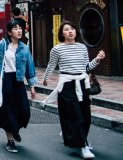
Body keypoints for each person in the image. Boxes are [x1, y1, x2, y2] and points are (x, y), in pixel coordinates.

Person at [42, 21, 105, 159]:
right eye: (66, 29)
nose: (70, 31)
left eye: (72, 29)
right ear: (62, 34)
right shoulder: (57, 49)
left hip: (82, 84)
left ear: (76, 32)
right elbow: (51, 64)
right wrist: (45, 79)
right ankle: (83, 146)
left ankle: (76, 136)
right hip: (67, 85)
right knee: (75, 116)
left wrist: (98, 59)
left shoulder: (82, 47)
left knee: (85, 115)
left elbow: (87, 67)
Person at [0, 20, 38, 154]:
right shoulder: (2, 46)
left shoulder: (24, 48)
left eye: (20, 28)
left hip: (19, 82)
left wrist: (32, 86)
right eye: (15, 29)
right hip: (5, 81)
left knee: (24, 111)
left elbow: (30, 67)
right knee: (8, 111)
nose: (19, 31)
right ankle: (10, 140)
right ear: (9, 32)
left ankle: (15, 129)